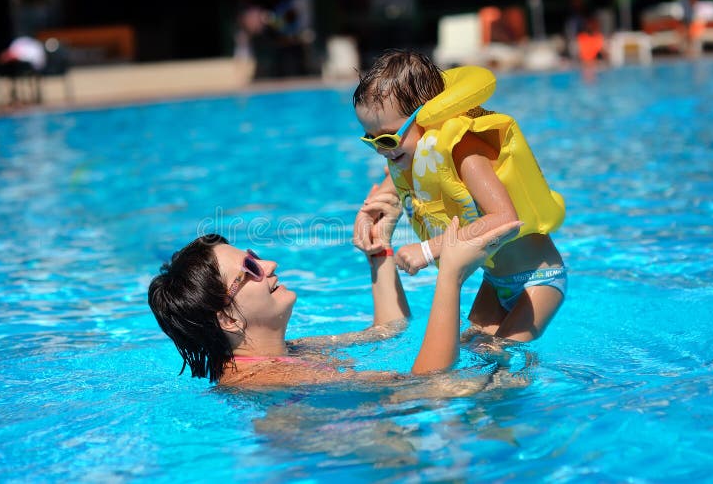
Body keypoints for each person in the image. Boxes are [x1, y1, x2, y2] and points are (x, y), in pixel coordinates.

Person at [148, 189, 521, 386]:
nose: (269, 265)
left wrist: (380, 249)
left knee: (489, 346)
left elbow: (387, 332)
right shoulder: (269, 379)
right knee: (489, 377)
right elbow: (429, 385)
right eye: (250, 268)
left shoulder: (286, 352)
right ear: (228, 317)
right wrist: (449, 276)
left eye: (254, 255)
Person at [353, 49, 566, 343]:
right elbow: (393, 184)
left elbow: (505, 219)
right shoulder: (412, 154)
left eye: (387, 137)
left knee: (502, 362)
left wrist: (427, 250)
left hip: (538, 279)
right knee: (472, 348)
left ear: (427, 115)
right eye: (370, 140)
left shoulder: (464, 151)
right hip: (495, 281)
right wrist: (367, 213)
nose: (381, 149)